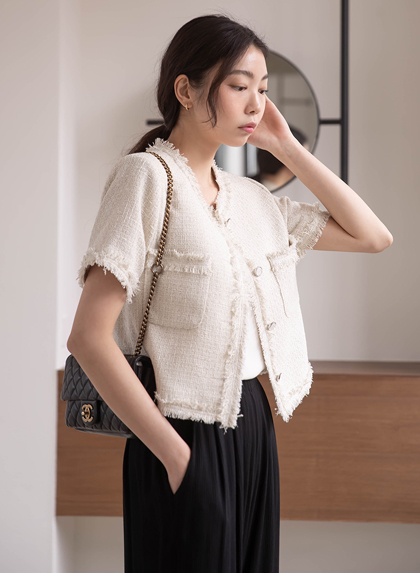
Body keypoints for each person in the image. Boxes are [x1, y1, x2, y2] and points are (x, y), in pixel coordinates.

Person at [67, 13, 393, 573]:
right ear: (186, 90)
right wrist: (177, 457)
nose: (255, 105)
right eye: (240, 86)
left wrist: (286, 146)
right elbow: (88, 338)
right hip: (179, 433)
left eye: (263, 90)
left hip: (253, 429)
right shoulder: (146, 178)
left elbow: (373, 237)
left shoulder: (250, 199)